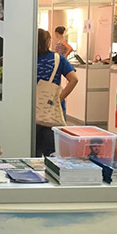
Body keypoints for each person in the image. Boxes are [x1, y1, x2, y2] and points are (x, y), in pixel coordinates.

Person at [36, 29, 78, 157]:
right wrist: (60, 98)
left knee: (33, 151)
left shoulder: (27, 59)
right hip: (54, 109)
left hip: (32, 110)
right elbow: (74, 79)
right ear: (47, 42)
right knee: (53, 153)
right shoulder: (58, 59)